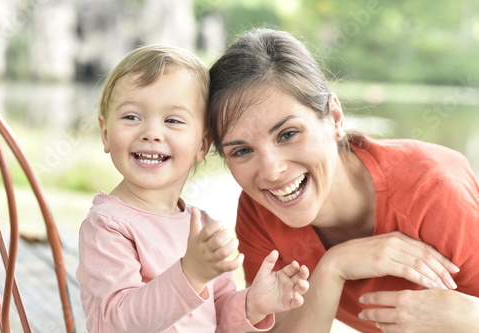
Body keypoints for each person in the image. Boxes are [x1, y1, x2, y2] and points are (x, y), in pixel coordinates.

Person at [207, 28, 479, 332]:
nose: (270, 172)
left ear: (335, 118)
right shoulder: (261, 211)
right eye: (243, 150)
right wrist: (334, 267)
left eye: (288, 134)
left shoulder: (434, 192)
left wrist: (471, 319)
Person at [76, 44, 310, 333]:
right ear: (105, 132)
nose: (151, 133)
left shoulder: (200, 227)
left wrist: (253, 304)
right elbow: (118, 322)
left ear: (202, 144)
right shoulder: (108, 226)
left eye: (172, 120)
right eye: (131, 117)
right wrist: (191, 274)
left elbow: (215, 314)